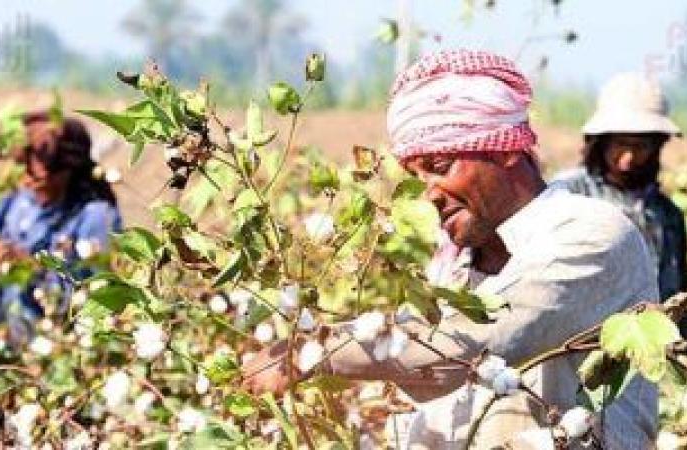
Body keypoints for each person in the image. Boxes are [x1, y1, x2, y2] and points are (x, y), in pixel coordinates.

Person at [241, 50, 658, 449]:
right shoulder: (456, 266)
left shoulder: (591, 234)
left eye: (441, 168)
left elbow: (466, 346)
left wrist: (310, 350)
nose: (429, 194)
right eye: (416, 176)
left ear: (507, 149)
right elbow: (424, 369)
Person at [0, 111, 122, 341]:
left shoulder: (95, 217)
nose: (30, 171)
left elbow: (100, 298)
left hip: (50, 344)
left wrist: (28, 268)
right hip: (1, 334)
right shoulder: (15, 201)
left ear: (68, 167)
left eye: (38, 161)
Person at [554, 72, 685, 301]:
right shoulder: (568, 194)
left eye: (641, 147)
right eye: (620, 145)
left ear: (656, 147)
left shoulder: (666, 214)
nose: (628, 158)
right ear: (601, 143)